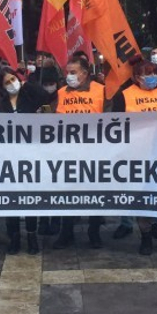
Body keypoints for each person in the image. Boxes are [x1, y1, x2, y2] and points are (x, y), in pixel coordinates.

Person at [113, 56, 157, 256]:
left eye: (153, 73)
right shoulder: (125, 96)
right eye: (146, 74)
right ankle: (145, 237)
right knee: (142, 197)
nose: (151, 77)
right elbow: (116, 126)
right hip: (140, 156)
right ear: (136, 78)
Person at [0, 66, 56, 254]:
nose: (12, 84)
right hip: (8, 158)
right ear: (2, 86)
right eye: (7, 82)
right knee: (11, 200)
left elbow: (45, 98)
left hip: (31, 156)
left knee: (29, 198)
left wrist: (27, 83)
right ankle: (14, 237)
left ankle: (31, 235)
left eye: (13, 79)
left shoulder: (29, 96)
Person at [52, 57, 106, 249]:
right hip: (69, 152)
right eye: (67, 72)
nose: (69, 76)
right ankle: (66, 232)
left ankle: (94, 232)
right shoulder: (61, 93)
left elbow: (111, 119)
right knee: (68, 192)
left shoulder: (101, 90)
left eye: (73, 72)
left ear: (85, 72)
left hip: (94, 152)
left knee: (94, 192)